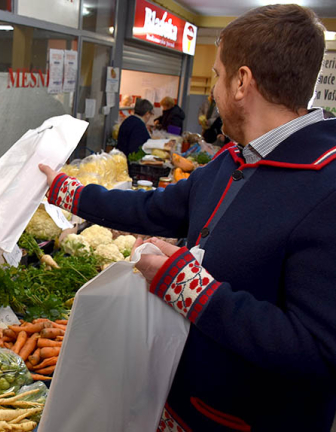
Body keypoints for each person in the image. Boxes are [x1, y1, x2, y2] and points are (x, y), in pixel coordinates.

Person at [40, 5, 336, 430]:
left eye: (216, 75)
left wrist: (187, 286)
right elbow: (151, 210)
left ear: (241, 82)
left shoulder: (326, 186)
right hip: (179, 403)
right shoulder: (233, 161)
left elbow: (319, 350)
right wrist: (63, 190)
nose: (212, 89)